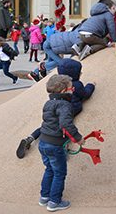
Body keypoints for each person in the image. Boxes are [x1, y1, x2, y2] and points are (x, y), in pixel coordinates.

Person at [17, 59, 95, 159]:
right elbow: (85, 94)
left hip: (54, 107)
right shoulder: (76, 85)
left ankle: (30, 138)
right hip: (71, 109)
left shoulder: (57, 84)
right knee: (64, 127)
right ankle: (64, 147)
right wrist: (91, 85)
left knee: (46, 126)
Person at [37, 74, 84, 211]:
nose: (73, 90)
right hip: (55, 145)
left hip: (43, 142)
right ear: (64, 91)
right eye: (71, 88)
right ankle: (54, 202)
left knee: (49, 169)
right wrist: (78, 138)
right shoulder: (65, 105)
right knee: (59, 173)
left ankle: (44, 197)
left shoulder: (48, 103)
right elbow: (66, 124)